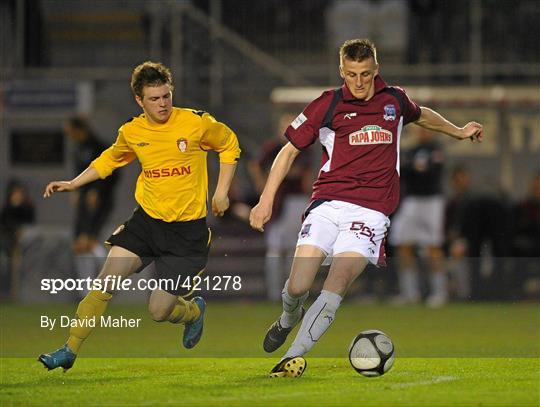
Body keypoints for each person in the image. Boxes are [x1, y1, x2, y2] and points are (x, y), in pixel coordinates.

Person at [249, 39, 483, 378]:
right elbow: (287, 152)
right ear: (341, 71)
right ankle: (288, 318)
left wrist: (458, 131)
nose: (359, 82)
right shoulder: (327, 104)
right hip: (328, 204)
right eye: (352, 75)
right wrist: (265, 199)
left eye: (366, 74)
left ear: (377, 70)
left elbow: (421, 115)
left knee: (338, 279)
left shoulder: (394, 100)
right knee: (298, 286)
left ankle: (293, 357)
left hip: (371, 213)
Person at [38, 61, 240, 371]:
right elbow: (109, 160)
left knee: (158, 311)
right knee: (106, 281)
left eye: (166, 96)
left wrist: (221, 191)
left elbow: (229, 144)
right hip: (147, 223)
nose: (163, 104)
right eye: (154, 99)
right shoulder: (132, 132)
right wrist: (73, 183)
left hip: (187, 234)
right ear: (139, 100)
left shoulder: (196, 123)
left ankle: (193, 312)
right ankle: (70, 349)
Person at [248, 113, 312, 301]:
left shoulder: (303, 146)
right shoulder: (273, 147)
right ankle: (275, 292)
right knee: (275, 249)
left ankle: (291, 291)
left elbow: (302, 175)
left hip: (295, 200)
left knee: (295, 250)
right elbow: (255, 165)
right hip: (276, 201)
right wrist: (262, 185)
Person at [389, 127, 447, 307]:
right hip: (412, 200)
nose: (424, 133)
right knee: (402, 243)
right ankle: (409, 293)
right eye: (420, 130)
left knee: (432, 246)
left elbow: (432, 173)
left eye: (427, 130)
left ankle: (439, 292)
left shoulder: (437, 149)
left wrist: (417, 168)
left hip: (432, 201)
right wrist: (417, 168)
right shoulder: (410, 151)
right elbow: (404, 172)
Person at [64, 116, 119, 298]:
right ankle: (85, 291)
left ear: (78, 129)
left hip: (100, 202)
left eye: (71, 131)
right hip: (84, 203)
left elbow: (112, 173)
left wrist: (97, 190)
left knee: (90, 242)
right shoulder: (78, 149)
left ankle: (110, 281)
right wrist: (76, 190)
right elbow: (78, 173)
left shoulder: (99, 146)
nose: (69, 135)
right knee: (79, 244)